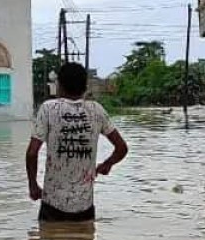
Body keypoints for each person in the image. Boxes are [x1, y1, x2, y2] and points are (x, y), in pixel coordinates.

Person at [26, 62, 128, 222]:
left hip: (52, 204)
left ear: (59, 85)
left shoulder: (48, 109)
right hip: (84, 207)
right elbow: (121, 148)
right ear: (85, 87)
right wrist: (107, 164)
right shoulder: (96, 110)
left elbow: (32, 153)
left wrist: (32, 185)